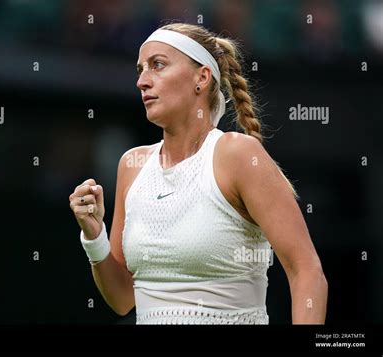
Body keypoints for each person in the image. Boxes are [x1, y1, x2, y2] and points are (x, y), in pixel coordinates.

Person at [69, 23, 328, 324]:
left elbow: (306, 270)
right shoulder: (132, 164)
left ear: (201, 77)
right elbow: (123, 299)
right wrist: (94, 235)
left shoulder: (237, 154)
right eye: (140, 70)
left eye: (158, 65)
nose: (142, 81)